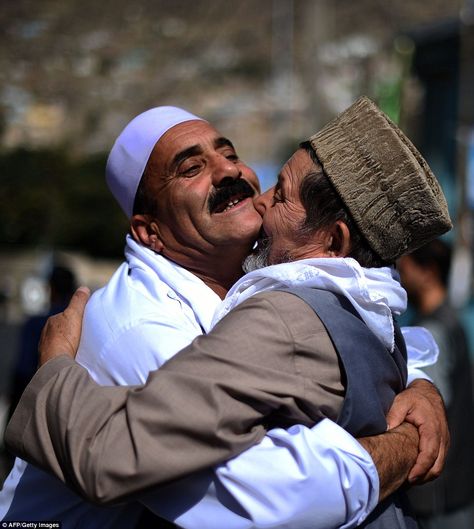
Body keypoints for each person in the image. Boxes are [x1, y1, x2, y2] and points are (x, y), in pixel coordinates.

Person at [5, 97, 451, 529]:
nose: (229, 172)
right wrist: (406, 444)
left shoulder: (271, 278)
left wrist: (420, 387)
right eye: (191, 168)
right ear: (150, 231)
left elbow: (357, 323)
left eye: (230, 154)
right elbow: (259, 495)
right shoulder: (140, 326)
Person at [398, 240, 474, 529]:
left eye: (404, 267)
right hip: (459, 488)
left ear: (427, 271)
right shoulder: (452, 318)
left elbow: (429, 410)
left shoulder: (432, 331)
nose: (400, 276)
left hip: (439, 499)